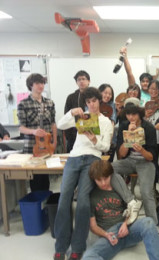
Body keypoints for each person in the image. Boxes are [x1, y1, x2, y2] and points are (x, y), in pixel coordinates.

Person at [54, 87, 113, 260]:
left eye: (94, 101)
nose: (91, 105)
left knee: (83, 202)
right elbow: (60, 125)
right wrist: (72, 112)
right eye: (88, 102)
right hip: (74, 158)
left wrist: (92, 138)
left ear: (99, 101)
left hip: (93, 159)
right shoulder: (82, 116)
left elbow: (106, 147)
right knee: (64, 197)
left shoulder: (106, 121)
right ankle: (61, 245)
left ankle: (78, 246)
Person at [82, 160, 159, 260]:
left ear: (111, 176)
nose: (103, 183)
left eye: (106, 178)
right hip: (110, 234)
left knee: (149, 222)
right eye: (99, 180)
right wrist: (106, 235)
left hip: (127, 229)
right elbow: (93, 226)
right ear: (94, 179)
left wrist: (126, 224)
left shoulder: (118, 188)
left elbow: (132, 208)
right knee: (88, 257)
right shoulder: (91, 196)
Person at [112, 97, 158, 223]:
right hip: (129, 161)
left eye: (134, 114)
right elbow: (121, 154)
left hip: (146, 162)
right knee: (109, 169)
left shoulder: (148, 128)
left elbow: (151, 157)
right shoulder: (123, 126)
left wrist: (141, 150)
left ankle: (152, 223)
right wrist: (128, 137)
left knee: (145, 192)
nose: (131, 117)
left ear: (139, 113)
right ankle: (131, 200)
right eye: (128, 114)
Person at [17, 73, 57, 191]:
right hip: (32, 146)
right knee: (35, 178)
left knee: (46, 175)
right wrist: (33, 131)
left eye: (42, 83)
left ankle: (47, 203)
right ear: (31, 85)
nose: (41, 85)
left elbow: (53, 124)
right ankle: (36, 204)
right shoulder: (23, 104)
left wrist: (54, 141)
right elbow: (21, 127)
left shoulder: (49, 103)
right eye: (37, 83)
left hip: (48, 144)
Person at [144, 80, 159, 183]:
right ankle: (154, 185)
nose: (154, 91)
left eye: (156, 89)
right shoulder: (144, 104)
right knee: (153, 162)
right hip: (151, 139)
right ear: (148, 90)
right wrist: (145, 116)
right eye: (152, 88)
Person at [64, 70, 90, 152]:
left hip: (90, 134)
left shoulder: (94, 96)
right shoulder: (71, 97)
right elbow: (66, 116)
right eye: (79, 79)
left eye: (83, 79)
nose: (81, 81)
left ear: (89, 81)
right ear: (76, 82)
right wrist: (69, 137)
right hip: (74, 136)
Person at [98, 84, 117, 162]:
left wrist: (109, 141)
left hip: (110, 139)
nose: (108, 95)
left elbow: (112, 122)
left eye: (110, 94)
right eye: (105, 93)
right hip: (97, 139)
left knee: (107, 165)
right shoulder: (94, 103)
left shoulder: (112, 105)